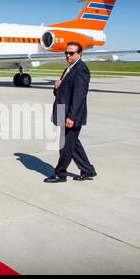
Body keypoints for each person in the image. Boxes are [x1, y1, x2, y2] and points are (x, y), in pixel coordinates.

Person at [44, 41, 97, 183]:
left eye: (71, 53)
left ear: (79, 54)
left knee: (66, 146)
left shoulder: (81, 69)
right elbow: (64, 93)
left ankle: (60, 173)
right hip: (64, 112)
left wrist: (71, 117)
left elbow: (79, 96)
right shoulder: (69, 68)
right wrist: (56, 87)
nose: (68, 55)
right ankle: (87, 169)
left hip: (71, 114)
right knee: (72, 144)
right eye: (66, 52)